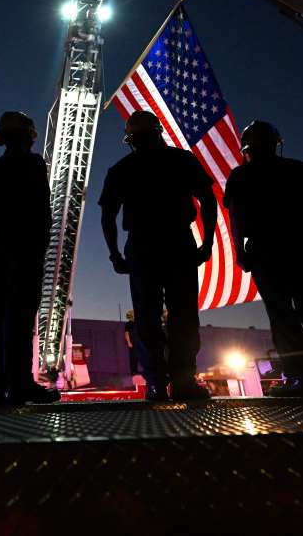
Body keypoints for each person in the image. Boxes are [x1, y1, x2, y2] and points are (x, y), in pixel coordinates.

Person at [99, 111, 215, 401]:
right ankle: (183, 381)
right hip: (178, 244)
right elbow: (209, 200)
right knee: (184, 315)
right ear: (158, 132)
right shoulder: (182, 160)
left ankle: (156, 384)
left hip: (142, 248)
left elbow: (108, 216)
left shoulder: (122, 168)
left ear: (131, 139)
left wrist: (114, 253)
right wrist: (207, 242)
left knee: (148, 318)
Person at [224, 121, 303, 397]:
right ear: (277, 143)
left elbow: (236, 219)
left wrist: (240, 252)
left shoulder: (241, 176)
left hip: (266, 250)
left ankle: (297, 376)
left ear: (247, 148)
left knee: (282, 316)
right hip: (302, 246)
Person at [0, 112, 59, 406]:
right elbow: (44, 214)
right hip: (24, 249)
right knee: (19, 318)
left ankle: (0, 385)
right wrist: (41, 245)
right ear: (28, 136)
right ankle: (19, 385)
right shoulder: (33, 165)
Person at [124, 310, 139, 377]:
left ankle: (138, 371)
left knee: (140, 357)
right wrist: (129, 342)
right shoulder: (128, 324)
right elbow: (126, 334)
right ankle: (134, 372)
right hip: (132, 343)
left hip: (138, 342)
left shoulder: (137, 323)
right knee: (133, 358)